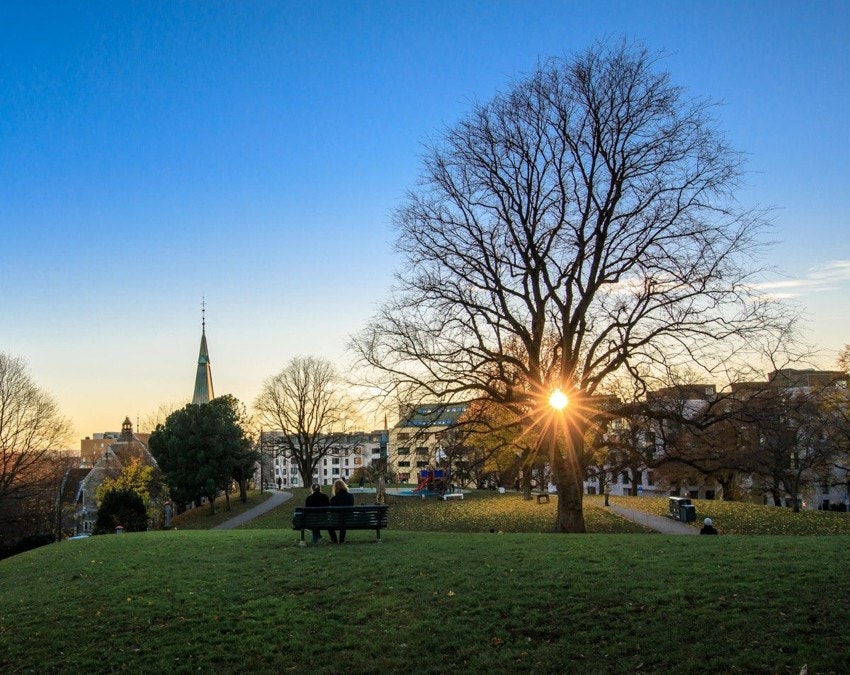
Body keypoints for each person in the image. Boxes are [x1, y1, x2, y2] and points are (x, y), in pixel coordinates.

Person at [329, 478, 354, 544]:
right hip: (349, 519)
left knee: (329, 525)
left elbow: (332, 512)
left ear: (335, 488)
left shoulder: (334, 499)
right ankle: (341, 541)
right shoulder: (350, 496)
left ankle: (334, 541)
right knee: (344, 521)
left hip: (337, 520)